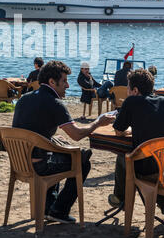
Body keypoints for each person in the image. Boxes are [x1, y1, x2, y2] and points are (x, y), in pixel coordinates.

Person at [12, 60, 115, 224]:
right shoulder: (54, 103)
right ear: (52, 82)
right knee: (81, 163)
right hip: (39, 164)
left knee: (57, 150)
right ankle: (59, 211)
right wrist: (98, 122)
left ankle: (48, 208)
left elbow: (28, 130)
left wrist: (52, 139)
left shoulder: (24, 99)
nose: (67, 86)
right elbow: (77, 134)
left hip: (19, 161)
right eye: (64, 81)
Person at [110, 69, 164, 234]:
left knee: (126, 157)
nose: (128, 92)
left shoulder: (131, 102)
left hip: (149, 170)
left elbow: (118, 131)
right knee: (155, 168)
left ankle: (120, 198)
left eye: (128, 88)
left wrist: (131, 131)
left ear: (135, 90)